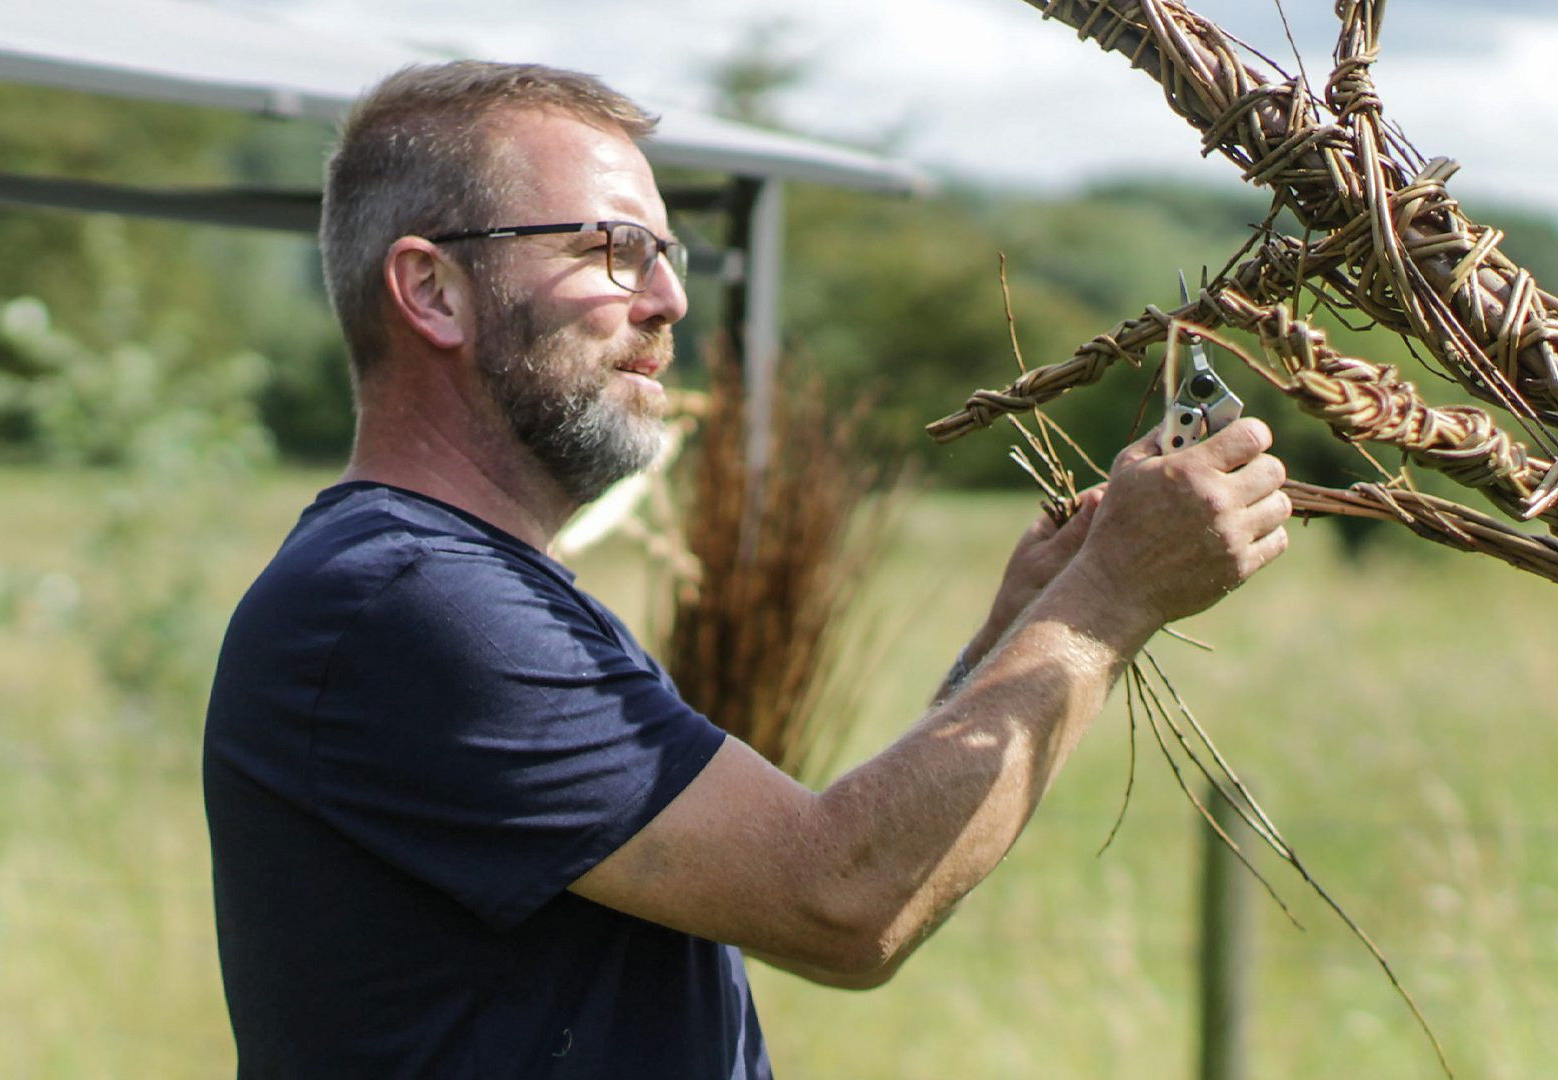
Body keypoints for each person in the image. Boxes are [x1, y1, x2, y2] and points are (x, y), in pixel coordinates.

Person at [202, 60, 1291, 1079]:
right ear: (433, 290)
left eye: (668, 255)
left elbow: (823, 874)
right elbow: (843, 901)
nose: (668, 301)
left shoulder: (453, 590)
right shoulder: (411, 603)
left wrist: (1028, 622)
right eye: (608, 249)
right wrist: (1108, 604)